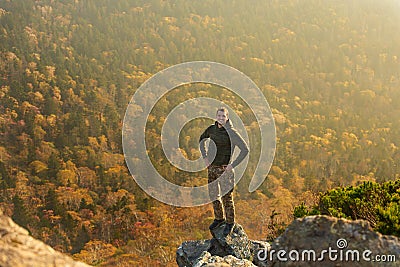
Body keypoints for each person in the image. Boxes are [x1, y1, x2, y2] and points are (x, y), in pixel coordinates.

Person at [199, 107, 249, 235]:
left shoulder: (232, 132)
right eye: (219, 116)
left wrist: (232, 165)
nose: (221, 118)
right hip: (212, 168)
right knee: (213, 195)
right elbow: (201, 139)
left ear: (227, 118)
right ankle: (219, 218)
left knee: (227, 197)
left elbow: (245, 149)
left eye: (223, 116)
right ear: (216, 117)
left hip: (225, 170)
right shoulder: (212, 129)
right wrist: (205, 157)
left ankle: (230, 222)